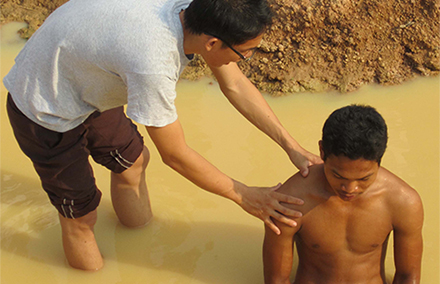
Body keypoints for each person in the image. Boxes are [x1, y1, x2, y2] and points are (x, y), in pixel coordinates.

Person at [4, 0, 321, 271]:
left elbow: (234, 84)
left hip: (85, 74)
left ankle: (137, 236)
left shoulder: (196, 11)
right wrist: (244, 195)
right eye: (247, 52)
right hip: (45, 103)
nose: (246, 60)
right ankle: (92, 274)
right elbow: (176, 154)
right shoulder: (152, 61)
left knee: (133, 161)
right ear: (212, 43)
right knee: (80, 215)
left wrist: (290, 146)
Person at [263, 105, 424, 284]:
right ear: (322, 151)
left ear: (379, 159)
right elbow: (277, 279)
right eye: (338, 175)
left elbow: (408, 276)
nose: (350, 188)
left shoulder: (403, 202)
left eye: (364, 178)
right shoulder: (290, 200)